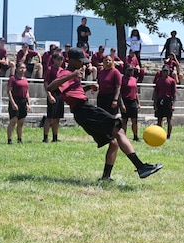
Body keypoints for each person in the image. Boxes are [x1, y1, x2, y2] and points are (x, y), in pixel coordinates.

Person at [47, 47, 163, 180]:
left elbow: (71, 93)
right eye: (81, 61)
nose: (83, 64)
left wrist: (87, 87)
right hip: (83, 109)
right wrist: (72, 75)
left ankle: (106, 177)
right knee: (119, 130)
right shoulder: (65, 73)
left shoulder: (72, 73)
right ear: (72, 60)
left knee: (113, 142)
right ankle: (141, 167)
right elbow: (50, 87)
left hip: (81, 111)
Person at [42, 53, 65, 143]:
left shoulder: (62, 70)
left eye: (61, 59)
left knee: (57, 118)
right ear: (54, 60)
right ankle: (45, 137)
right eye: (58, 59)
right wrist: (49, 95)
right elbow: (46, 83)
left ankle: (55, 137)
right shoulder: (50, 69)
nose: (60, 61)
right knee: (50, 117)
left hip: (60, 94)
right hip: (52, 93)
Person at [7, 62, 31, 144]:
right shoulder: (13, 79)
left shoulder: (25, 80)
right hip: (15, 100)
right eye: (21, 67)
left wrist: (29, 103)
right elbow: (9, 91)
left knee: (21, 122)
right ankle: (9, 140)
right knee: (13, 121)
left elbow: (27, 92)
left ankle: (19, 139)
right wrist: (13, 103)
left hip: (23, 101)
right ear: (17, 69)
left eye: (24, 68)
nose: (22, 69)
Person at [153, 65, 177, 139]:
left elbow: (174, 94)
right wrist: (155, 103)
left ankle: (168, 135)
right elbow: (155, 92)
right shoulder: (158, 80)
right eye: (164, 71)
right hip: (160, 100)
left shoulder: (172, 81)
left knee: (169, 119)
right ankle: (159, 134)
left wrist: (173, 104)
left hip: (168, 101)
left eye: (167, 71)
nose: (165, 73)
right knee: (159, 119)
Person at [120, 65, 141, 141]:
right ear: (125, 70)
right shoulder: (122, 79)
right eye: (129, 70)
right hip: (125, 101)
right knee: (124, 120)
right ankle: (123, 137)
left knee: (134, 120)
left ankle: (135, 136)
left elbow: (136, 92)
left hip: (133, 101)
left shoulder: (134, 79)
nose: (130, 72)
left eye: (131, 70)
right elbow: (120, 93)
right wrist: (122, 104)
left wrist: (139, 103)